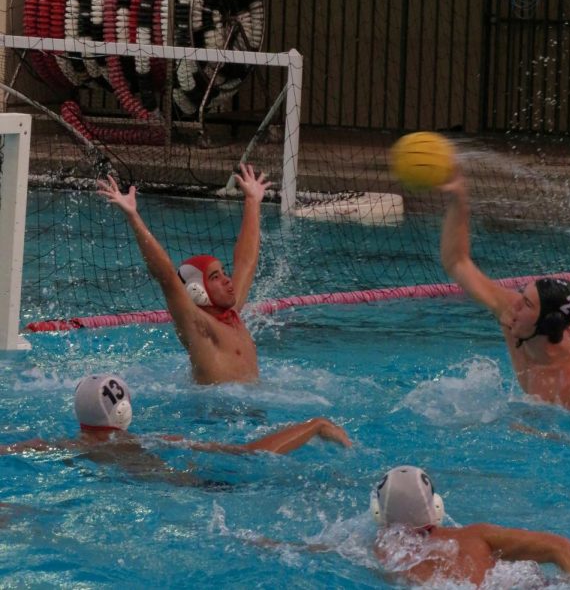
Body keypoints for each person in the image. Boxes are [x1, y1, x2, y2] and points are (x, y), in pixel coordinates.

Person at [0, 374, 351, 486]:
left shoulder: (62, 446)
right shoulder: (158, 440)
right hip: (200, 487)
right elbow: (247, 452)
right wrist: (313, 424)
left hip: (179, 497)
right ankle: (317, 426)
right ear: (124, 410)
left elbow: (12, 450)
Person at [97, 164, 270, 384]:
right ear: (197, 291)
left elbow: (246, 262)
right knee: (322, 422)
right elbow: (167, 277)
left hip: (246, 410)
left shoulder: (232, 315)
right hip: (215, 414)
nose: (227, 280)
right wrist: (133, 216)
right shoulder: (200, 326)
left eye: (223, 272)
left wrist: (253, 201)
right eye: (215, 277)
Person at [439, 169, 570, 409]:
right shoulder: (513, 313)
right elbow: (457, 263)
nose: (515, 304)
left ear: (547, 324)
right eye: (523, 295)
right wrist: (459, 201)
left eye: (527, 303)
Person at [370, 465, 570, 586]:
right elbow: (561, 547)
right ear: (436, 506)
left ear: (379, 514)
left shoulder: (385, 554)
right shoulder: (478, 536)